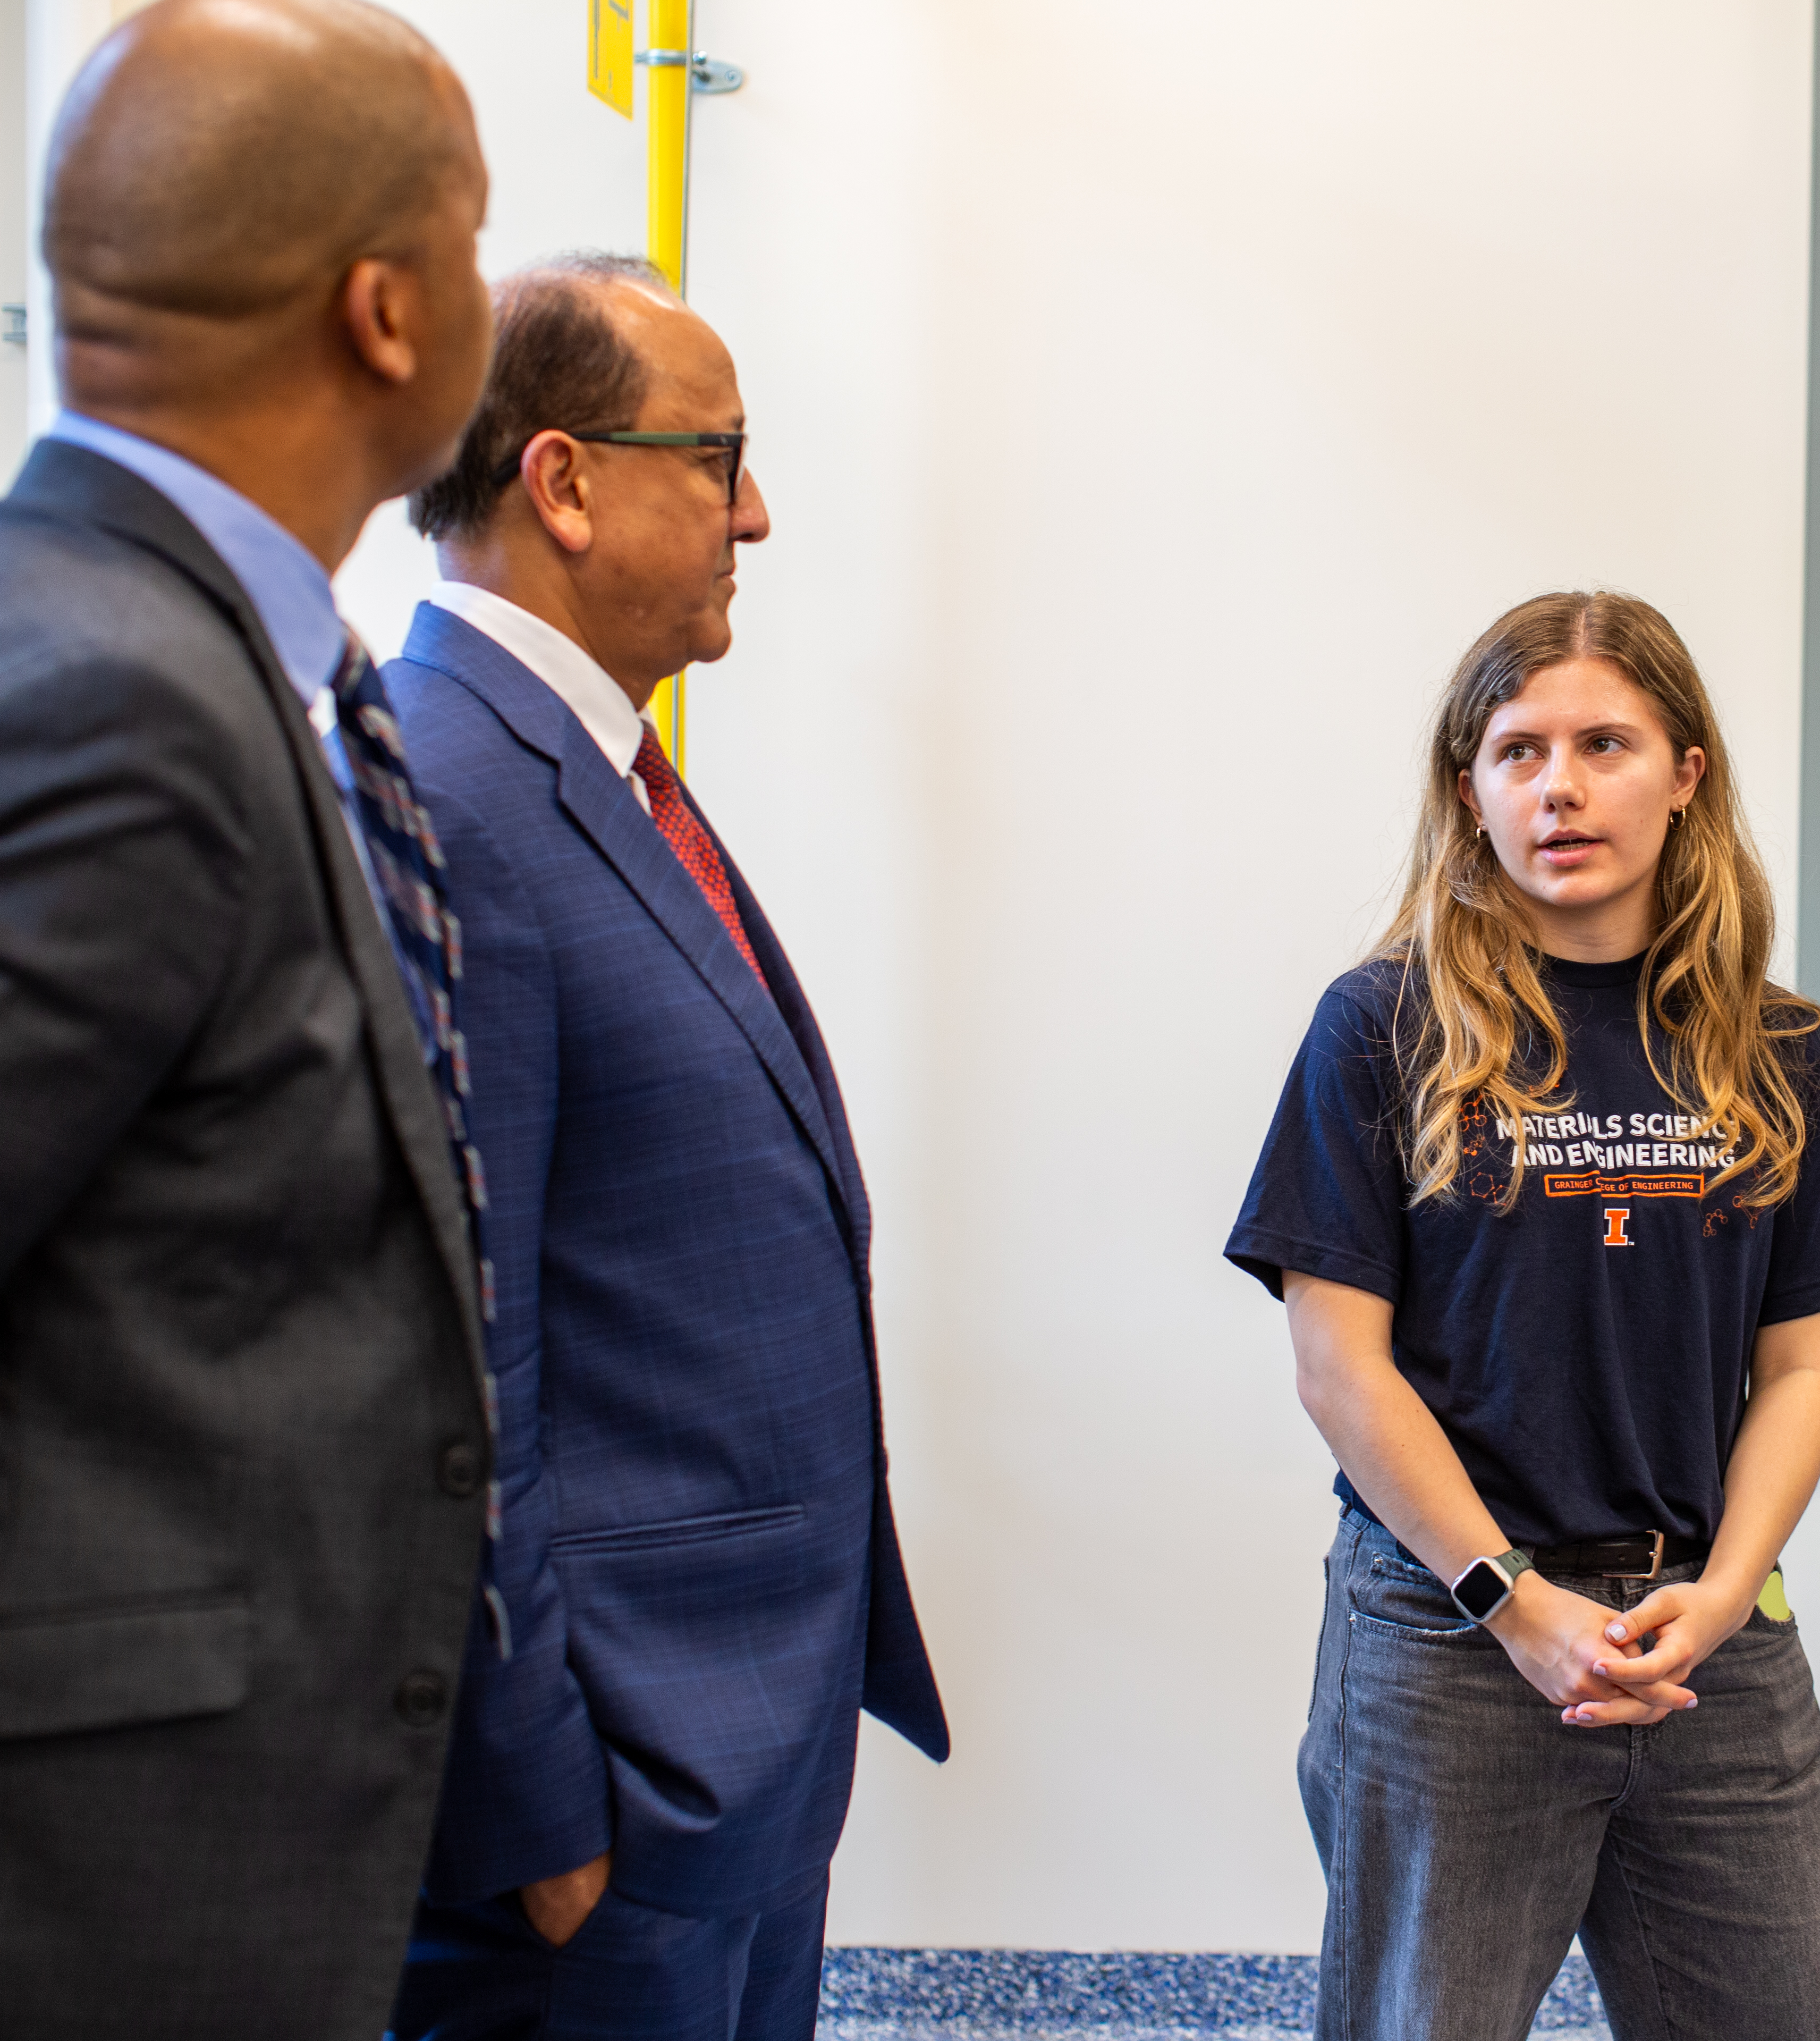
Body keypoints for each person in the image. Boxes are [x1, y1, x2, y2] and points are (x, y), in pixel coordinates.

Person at [378, 254, 946, 2040]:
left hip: (726, 1758)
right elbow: (446, 1361)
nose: (753, 515)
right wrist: (542, 1810)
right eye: (718, 459)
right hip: (607, 1807)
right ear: (562, 481)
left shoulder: (589, 769)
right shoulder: (450, 794)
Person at [0, 5, 500, 2036]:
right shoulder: (119, 700)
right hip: (110, 1890)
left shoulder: (177, 654)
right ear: (389, 312)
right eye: (478, 247)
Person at [1226, 591, 1820, 2041]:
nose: (1562, 787)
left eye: (1606, 743)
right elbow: (1340, 1368)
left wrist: (1721, 1600)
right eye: (1519, 751)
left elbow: (1797, 1370)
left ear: (1687, 772)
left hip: (1706, 1635)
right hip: (1452, 1633)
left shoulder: (1776, 1048)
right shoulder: (1382, 1028)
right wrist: (1510, 1604)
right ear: (1469, 790)